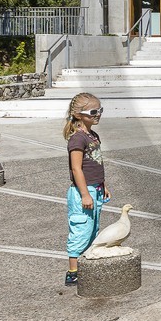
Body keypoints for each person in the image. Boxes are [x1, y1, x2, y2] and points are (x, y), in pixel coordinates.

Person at [63, 92, 108, 286]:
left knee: (92, 229)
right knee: (81, 230)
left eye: (100, 110)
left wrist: (103, 185)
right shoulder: (77, 139)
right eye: (93, 111)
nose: (97, 114)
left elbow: (96, 164)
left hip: (94, 189)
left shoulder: (93, 135)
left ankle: (87, 265)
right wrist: (85, 194)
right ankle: (73, 272)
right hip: (83, 192)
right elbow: (76, 168)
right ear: (79, 114)